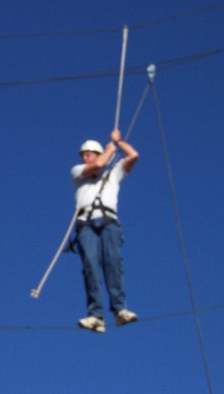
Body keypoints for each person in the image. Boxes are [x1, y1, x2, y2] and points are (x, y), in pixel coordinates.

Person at [70, 128, 139, 333]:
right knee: (90, 264)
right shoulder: (77, 172)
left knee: (113, 262)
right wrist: (109, 150)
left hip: (109, 221)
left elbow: (133, 155)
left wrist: (119, 142)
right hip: (86, 223)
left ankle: (120, 310)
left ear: (98, 153)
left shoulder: (113, 174)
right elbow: (99, 165)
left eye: (89, 154)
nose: (85, 157)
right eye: (83, 155)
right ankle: (95, 315)